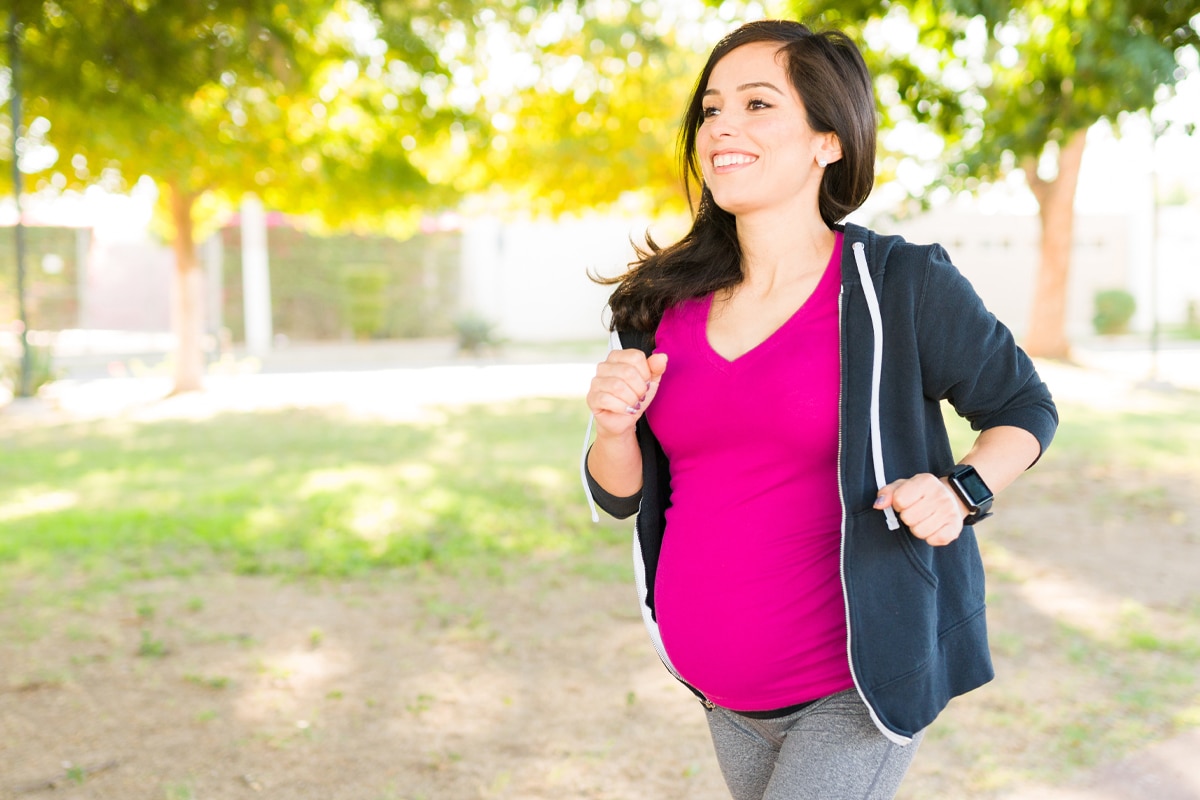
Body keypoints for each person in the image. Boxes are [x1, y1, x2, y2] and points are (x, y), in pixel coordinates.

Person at [579, 18, 1059, 800]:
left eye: (758, 104)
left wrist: (960, 489)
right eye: (710, 109)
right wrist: (611, 428)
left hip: (852, 690)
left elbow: (1023, 406)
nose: (721, 126)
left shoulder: (900, 286)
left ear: (828, 140)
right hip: (721, 696)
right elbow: (619, 494)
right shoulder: (657, 304)